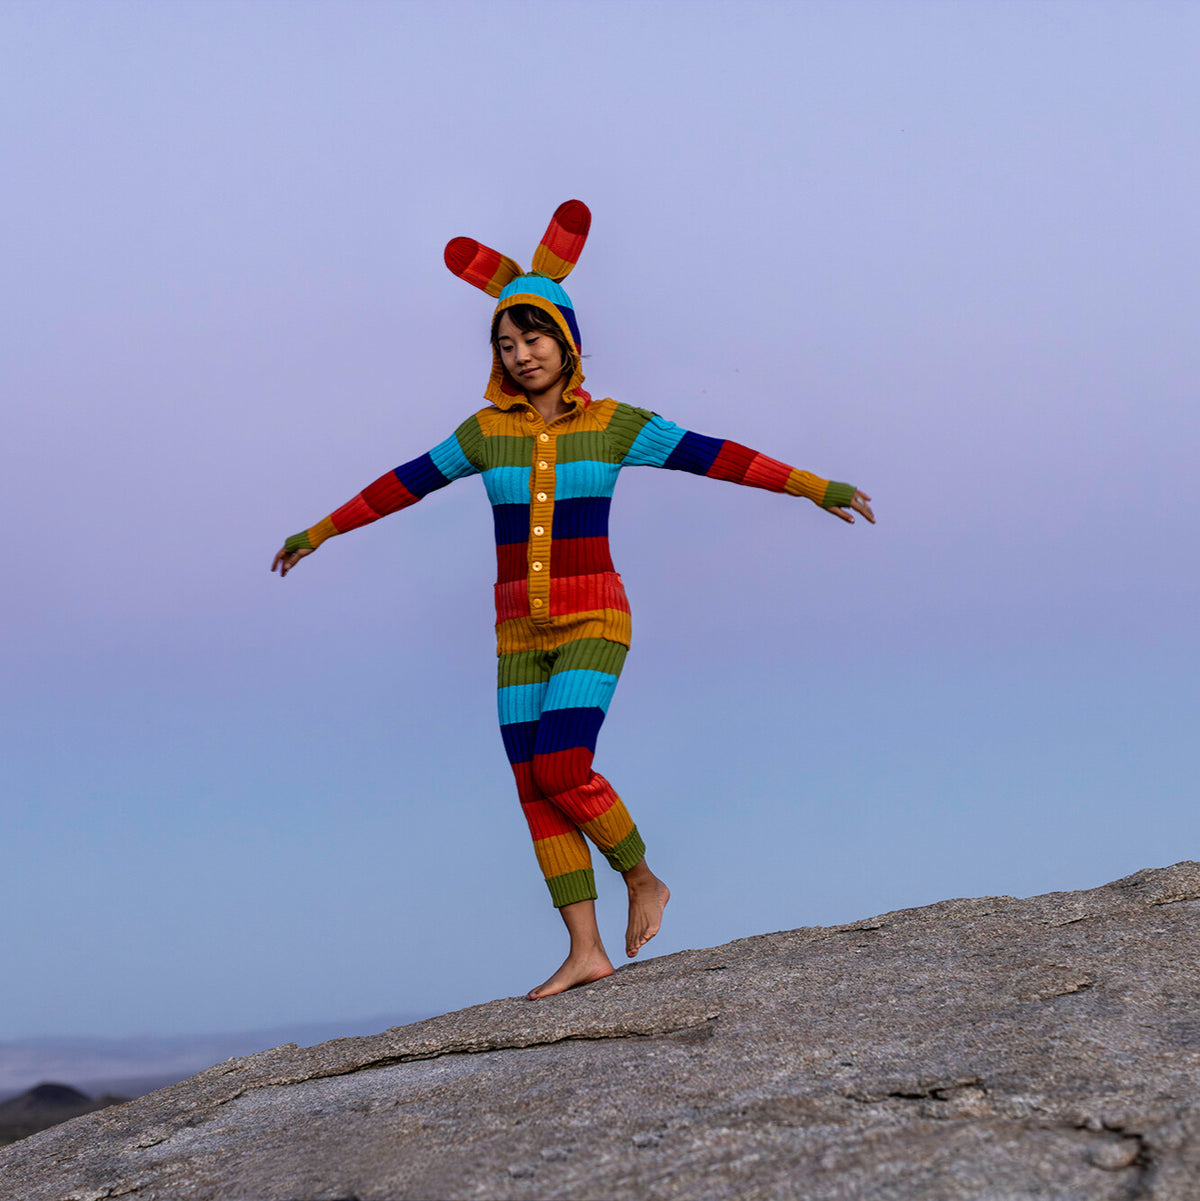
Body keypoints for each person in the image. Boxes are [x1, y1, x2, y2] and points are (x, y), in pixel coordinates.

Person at [272, 201, 874, 1000]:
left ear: (568, 340)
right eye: (507, 342)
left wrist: (810, 485)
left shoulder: (618, 425)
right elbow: (401, 484)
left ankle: (644, 876)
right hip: (518, 634)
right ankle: (585, 948)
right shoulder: (484, 433)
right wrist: (319, 530)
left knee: (561, 763)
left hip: (596, 617)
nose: (523, 354)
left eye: (536, 337)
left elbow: (715, 456)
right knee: (533, 787)